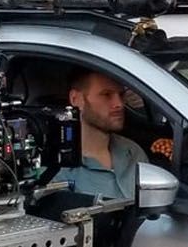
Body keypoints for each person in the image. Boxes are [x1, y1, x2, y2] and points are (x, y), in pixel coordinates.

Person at [53, 68, 145, 200]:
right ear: (76, 99)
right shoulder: (58, 168)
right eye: (106, 95)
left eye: (121, 95)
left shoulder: (133, 152)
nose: (119, 104)